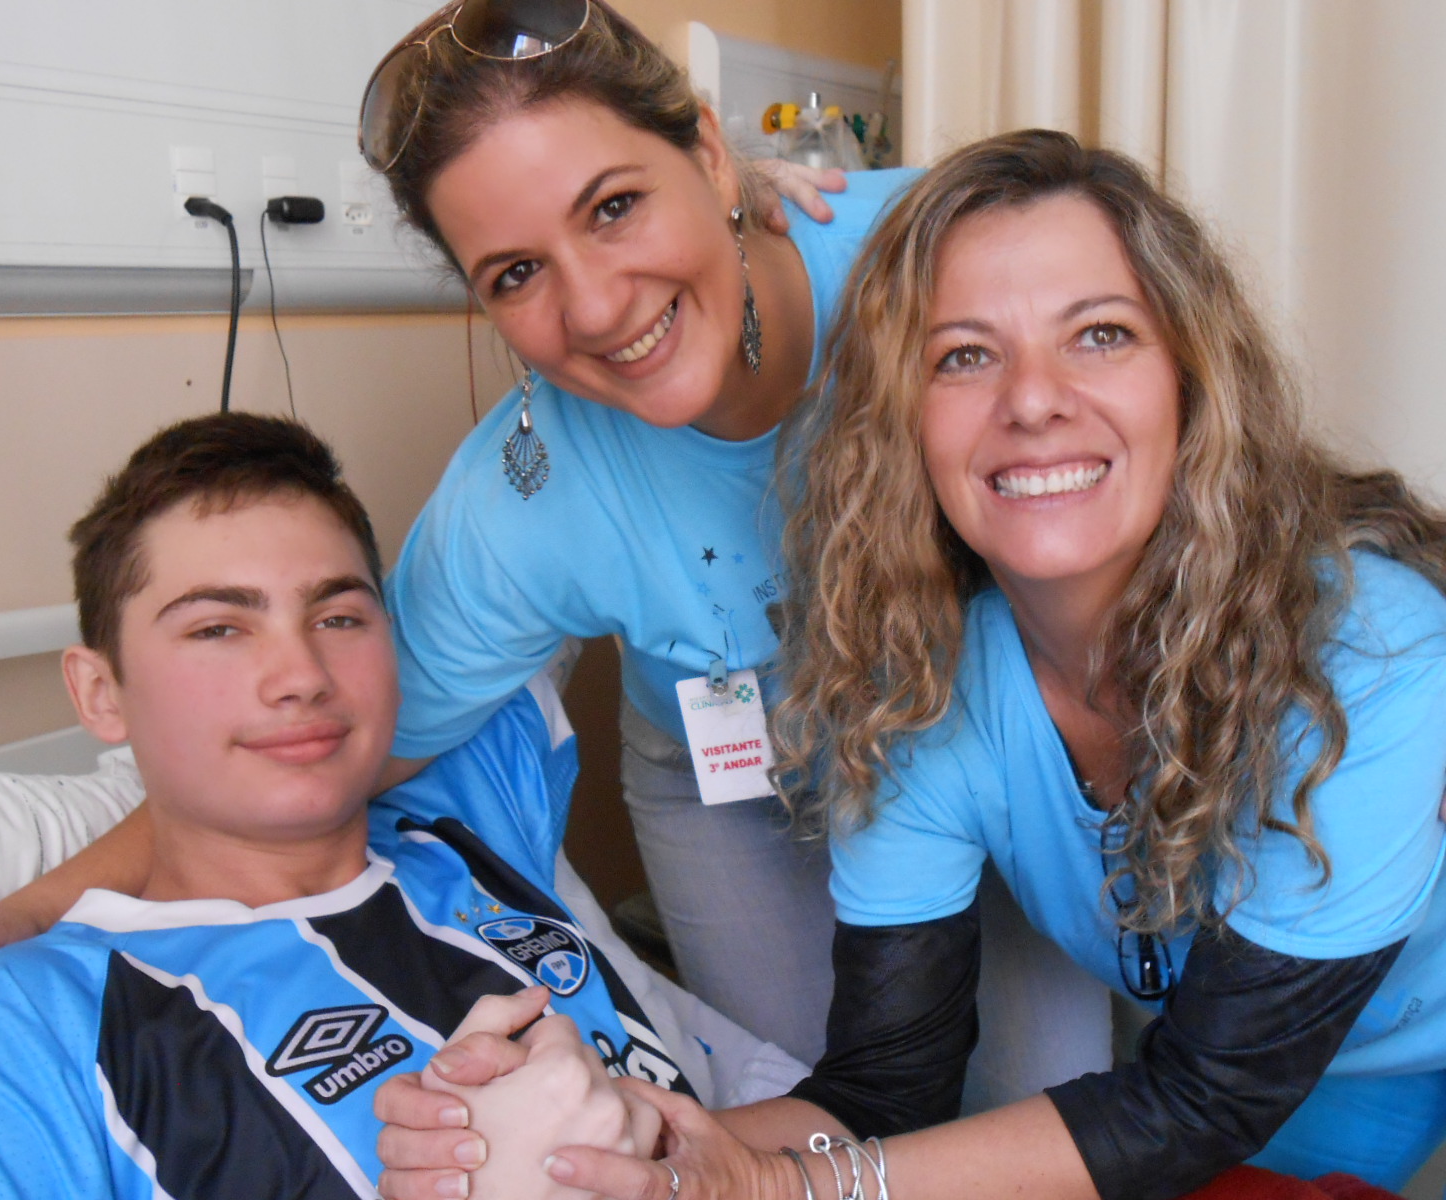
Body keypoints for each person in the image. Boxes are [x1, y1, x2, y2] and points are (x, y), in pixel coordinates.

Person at [0, 0, 1113, 1116]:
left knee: (1051, 1108)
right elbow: (344, 728)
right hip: (735, 771)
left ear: (710, 151)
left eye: (616, 205)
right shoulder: (522, 499)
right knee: (824, 1113)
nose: (593, 307)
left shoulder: (938, 259)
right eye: (516, 273)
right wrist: (25, 909)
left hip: (985, 728)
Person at [371, 129, 1446, 1200]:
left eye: (1101, 335)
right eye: (964, 356)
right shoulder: (919, 690)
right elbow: (886, 1089)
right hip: (1304, 1074)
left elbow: (1198, 1102)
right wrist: (625, 1142)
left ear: (1193, 381)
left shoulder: (1364, 657)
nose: (1032, 400)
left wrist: (783, 1189)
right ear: (897, 420)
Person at [0, 413, 691, 1198]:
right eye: (218, 629)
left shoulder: (467, 807)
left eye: (337, 616)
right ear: (99, 690)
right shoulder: (33, 1022)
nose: (301, 673)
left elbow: (613, 492)